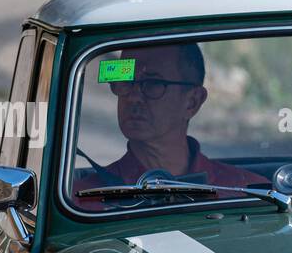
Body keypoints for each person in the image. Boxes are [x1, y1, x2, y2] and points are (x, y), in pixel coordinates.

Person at [73, 42, 265, 207]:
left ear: (192, 102)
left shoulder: (247, 192)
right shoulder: (83, 200)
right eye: (125, 81)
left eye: (152, 83)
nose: (132, 97)